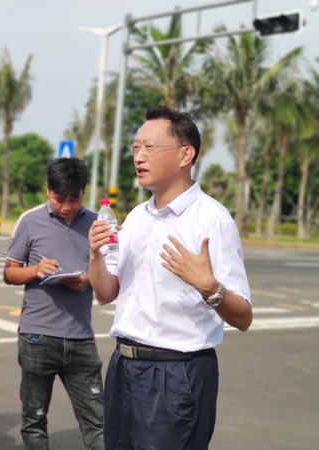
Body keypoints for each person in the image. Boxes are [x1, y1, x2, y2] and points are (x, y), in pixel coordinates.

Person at [88, 106, 253, 450]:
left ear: (185, 155)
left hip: (177, 374)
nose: (139, 156)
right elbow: (105, 294)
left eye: (150, 147)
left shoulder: (212, 221)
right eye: (136, 148)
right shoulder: (137, 217)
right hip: (124, 366)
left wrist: (210, 288)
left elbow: (243, 317)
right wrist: (95, 254)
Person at [3, 157, 104, 450]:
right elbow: (10, 273)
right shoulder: (30, 221)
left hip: (81, 337)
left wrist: (88, 279)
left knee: (98, 421)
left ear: (84, 191)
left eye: (75, 198)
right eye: (60, 199)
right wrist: (36, 270)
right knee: (34, 420)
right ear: (47, 189)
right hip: (37, 337)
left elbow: (112, 276)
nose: (67, 207)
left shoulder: (97, 224)